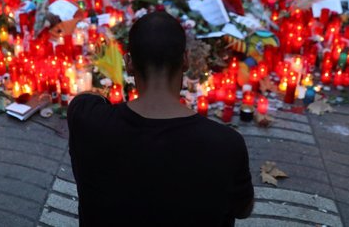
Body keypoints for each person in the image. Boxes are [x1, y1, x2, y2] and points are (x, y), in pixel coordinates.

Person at [68, 11, 254, 226]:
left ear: (128, 62)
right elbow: (244, 209)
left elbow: (85, 97)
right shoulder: (226, 144)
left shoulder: (88, 121)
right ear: (185, 60)